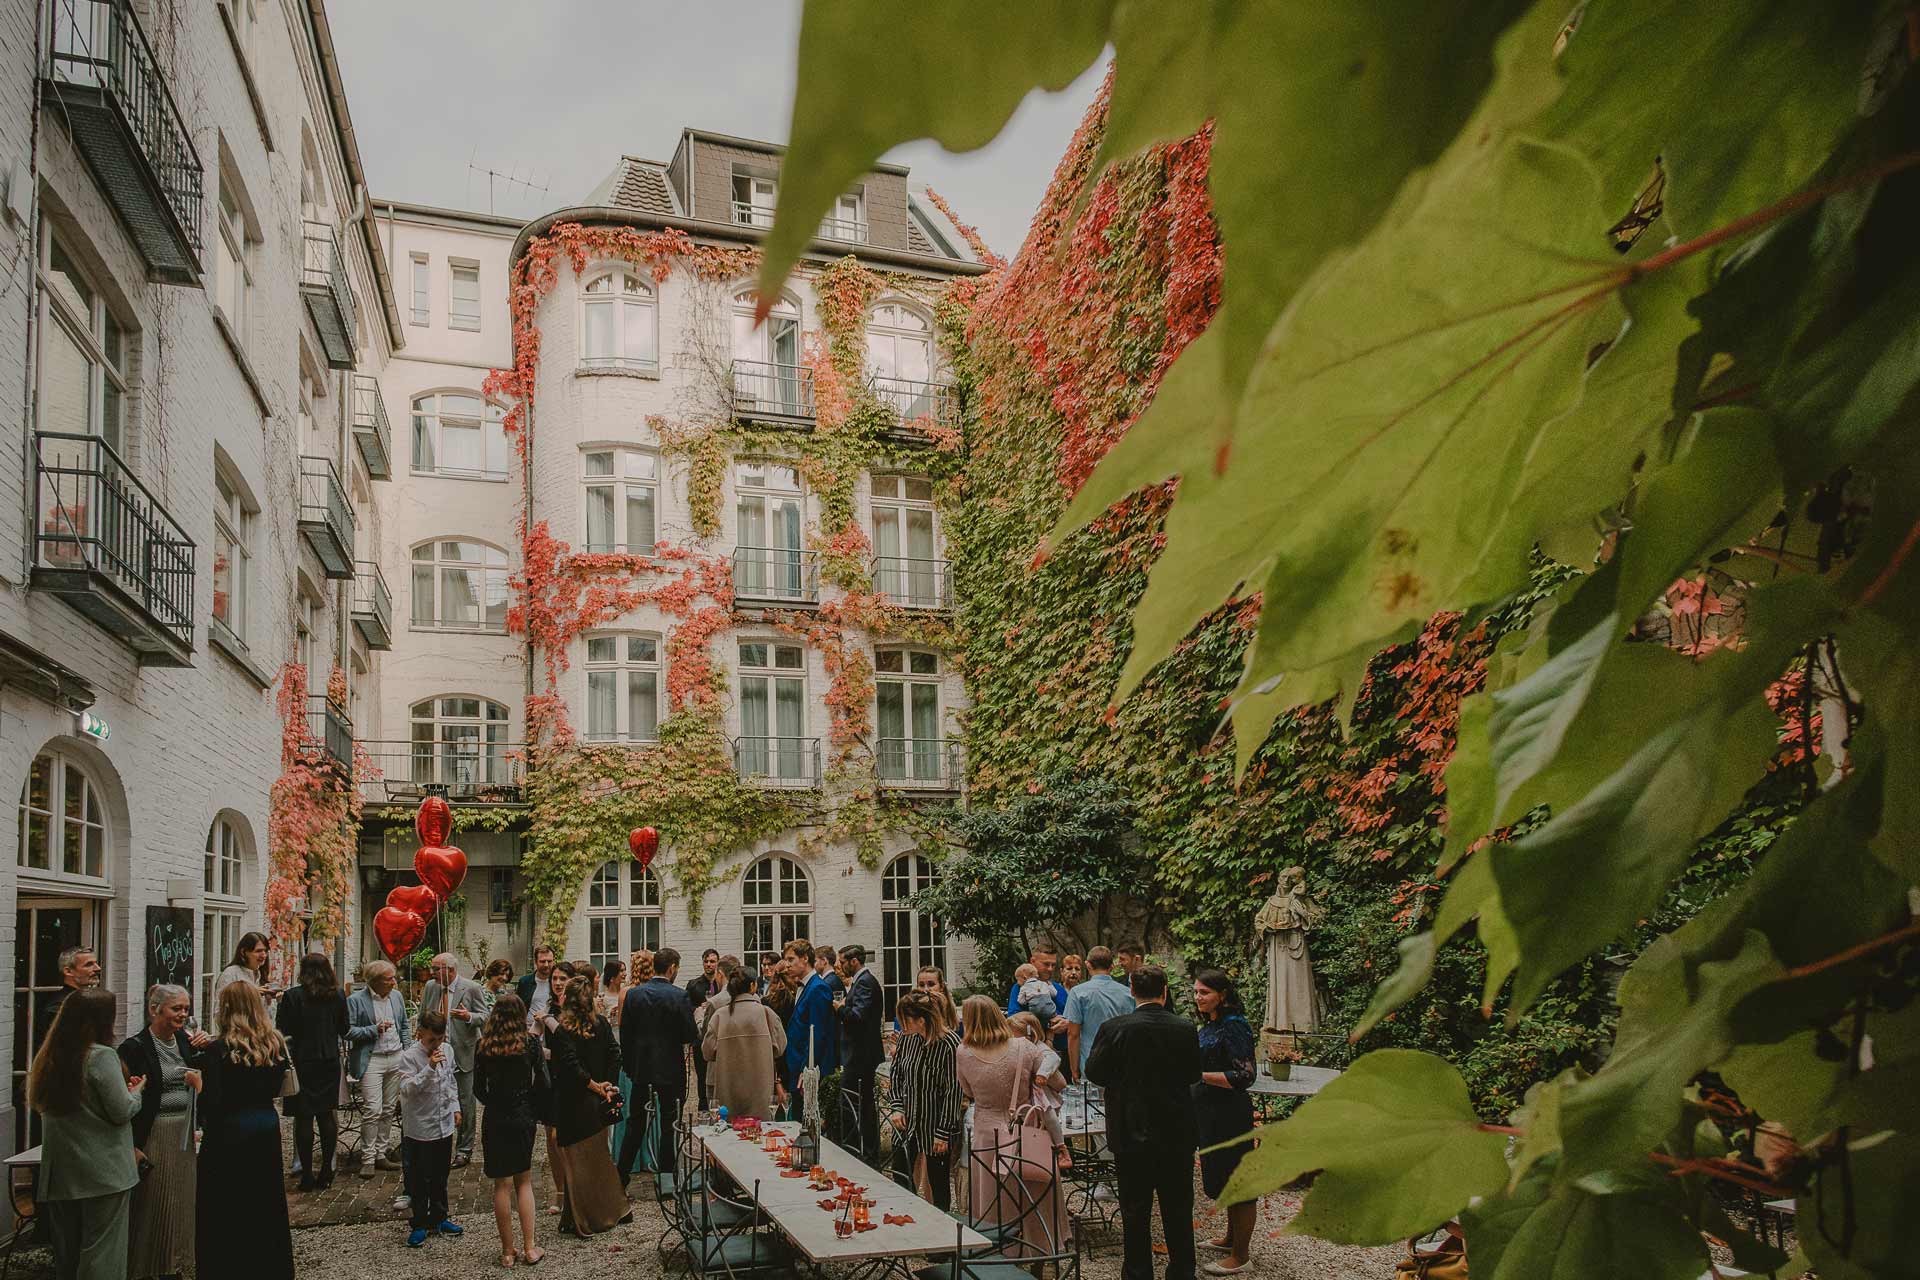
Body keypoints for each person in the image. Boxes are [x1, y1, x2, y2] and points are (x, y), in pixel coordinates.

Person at [1085, 967, 1201, 1280]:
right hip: (1176, 1130)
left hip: (1130, 1128)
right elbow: (1193, 1074)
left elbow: (1094, 1072)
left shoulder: (1114, 1028)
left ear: (1132, 991)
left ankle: (1138, 1273)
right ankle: (1182, 1272)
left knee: (1135, 1210)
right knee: (1178, 1209)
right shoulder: (1185, 1028)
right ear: (1165, 990)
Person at [30, 987, 143, 1280]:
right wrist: (136, 1093)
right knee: (102, 1251)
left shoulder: (49, 1057)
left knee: (68, 1253)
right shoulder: (101, 1057)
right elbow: (121, 1111)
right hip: (104, 1172)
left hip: (63, 1172)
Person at [197, 980, 294, 1280]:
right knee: (265, 1200)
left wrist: (197, 1085)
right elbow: (277, 1088)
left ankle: (229, 1267)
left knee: (226, 1204)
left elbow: (212, 1101)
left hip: (229, 1129)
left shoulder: (217, 1050)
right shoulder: (274, 1043)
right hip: (264, 1123)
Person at [955, 996, 1065, 1258]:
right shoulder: (1023, 1046)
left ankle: (997, 1249)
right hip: (1024, 1128)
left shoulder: (963, 1052)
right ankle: (1038, 1246)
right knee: (1032, 1191)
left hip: (986, 1131)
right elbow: (1058, 1082)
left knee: (993, 1195)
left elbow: (967, 1090)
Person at [119, 984, 209, 1280]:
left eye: (186, 1009)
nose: (182, 1014)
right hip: (155, 1132)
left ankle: (172, 1264)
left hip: (183, 1132)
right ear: (154, 1009)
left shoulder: (185, 1041)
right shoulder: (135, 1048)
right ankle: (147, 1265)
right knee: (154, 1202)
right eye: (176, 1008)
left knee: (180, 1200)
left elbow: (203, 1076)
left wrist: (204, 1052)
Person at [549, 977, 630, 1235]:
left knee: (575, 1162)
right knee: (598, 1158)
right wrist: (608, 1085)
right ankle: (605, 1209)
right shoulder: (602, 1023)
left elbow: (571, 1066)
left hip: (573, 1101)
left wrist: (596, 1086)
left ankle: (585, 1217)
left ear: (567, 1000)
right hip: (598, 1101)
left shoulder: (562, 1031)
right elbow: (615, 1053)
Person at [1193, 970, 1258, 1275]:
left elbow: (1245, 1075)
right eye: (1196, 992)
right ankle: (1230, 1239)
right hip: (1210, 1113)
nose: (1198, 997)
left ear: (1223, 994)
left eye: (1204, 992)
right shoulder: (1212, 1024)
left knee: (1238, 1182)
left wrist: (1198, 1076)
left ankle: (1241, 1256)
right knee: (1223, 1179)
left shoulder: (1235, 1026)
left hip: (1230, 1114)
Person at [474, 993, 547, 1268]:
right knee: (524, 1181)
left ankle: (507, 1251)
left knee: (501, 1184)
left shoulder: (484, 1046)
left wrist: (493, 1102)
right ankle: (530, 1246)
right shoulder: (530, 1043)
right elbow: (543, 1081)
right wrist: (533, 1107)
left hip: (495, 1115)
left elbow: (477, 1088)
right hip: (522, 1113)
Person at [616, 947, 696, 1180]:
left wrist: (630, 1066)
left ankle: (622, 1176)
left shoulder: (634, 995)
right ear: (672, 968)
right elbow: (689, 1034)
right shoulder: (679, 996)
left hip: (641, 1068)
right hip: (670, 1068)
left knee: (635, 1123)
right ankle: (666, 1176)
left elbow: (625, 1035)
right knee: (670, 1123)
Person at [275, 952, 349, 1190]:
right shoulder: (337, 995)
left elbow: (283, 1030)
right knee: (326, 1115)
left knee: (304, 1117)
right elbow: (345, 1028)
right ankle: (326, 1170)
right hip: (328, 1060)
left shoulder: (292, 996)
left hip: (302, 1061)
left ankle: (306, 1174)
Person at [396, 1009, 465, 1248]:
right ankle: (419, 1223)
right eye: (431, 1039)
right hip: (419, 1127)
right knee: (418, 1177)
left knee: (440, 1174)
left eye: (440, 1038)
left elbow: (451, 1082)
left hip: (443, 1124)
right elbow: (407, 1090)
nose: (436, 1044)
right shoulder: (409, 1057)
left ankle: (439, 1217)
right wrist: (429, 1068)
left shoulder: (448, 1050)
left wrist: (456, 1107)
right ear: (420, 1033)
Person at [888, 990, 962, 1210]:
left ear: (921, 1020)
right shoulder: (906, 1038)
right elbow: (897, 1073)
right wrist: (897, 1107)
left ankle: (940, 1225)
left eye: (905, 1020)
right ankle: (906, 1216)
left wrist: (944, 1131)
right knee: (900, 1175)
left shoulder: (949, 1044)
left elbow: (953, 1091)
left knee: (939, 1184)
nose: (901, 1025)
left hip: (935, 1123)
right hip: (906, 1120)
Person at [423, 952, 490, 1168]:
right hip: (435, 1052)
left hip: (463, 1053)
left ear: (450, 970)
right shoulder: (431, 987)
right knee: (434, 1098)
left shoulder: (471, 988)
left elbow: (485, 1016)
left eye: (436, 969)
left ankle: (464, 1149)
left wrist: (468, 1016)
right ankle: (435, 1142)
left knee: (465, 1102)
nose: (432, 973)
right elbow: (424, 1015)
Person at [346, 959, 410, 1176]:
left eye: (393, 978)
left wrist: (407, 1050)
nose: (394, 982)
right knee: (373, 1109)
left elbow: (404, 1025)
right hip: (372, 1058)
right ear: (374, 981)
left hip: (396, 1056)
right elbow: (348, 1031)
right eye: (389, 979)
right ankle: (367, 1158)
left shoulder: (397, 997)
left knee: (389, 1108)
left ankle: (381, 1154)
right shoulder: (356, 1000)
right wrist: (374, 1029)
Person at [702, 966, 786, 1120]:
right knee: (760, 1133)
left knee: (728, 1131)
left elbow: (707, 1053)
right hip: (760, 1094)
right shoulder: (767, 1014)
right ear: (752, 986)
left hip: (728, 1094)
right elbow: (780, 1048)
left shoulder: (720, 1016)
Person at [833, 944, 884, 1161]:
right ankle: (862, 1151)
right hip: (859, 1053)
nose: (840, 966)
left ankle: (864, 1152)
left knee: (858, 1104)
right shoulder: (861, 981)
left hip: (861, 1055)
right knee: (859, 1103)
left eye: (843, 961)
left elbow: (858, 1018)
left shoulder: (865, 982)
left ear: (854, 961)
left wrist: (840, 1008)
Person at [782, 940, 839, 1122]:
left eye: (791, 959)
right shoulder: (804, 986)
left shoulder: (818, 988)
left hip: (808, 1072)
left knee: (807, 1124)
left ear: (805, 958)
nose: (787, 965)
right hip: (797, 1066)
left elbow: (817, 1033)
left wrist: (807, 1070)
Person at [1064, 947, 1135, 1078]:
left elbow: (1073, 1034)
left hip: (1090, 1062)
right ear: (1112, 966)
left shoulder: (1078, 993)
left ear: (1088, 965)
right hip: (1121, 1063)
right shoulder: (1128, 994)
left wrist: (1074, 1070)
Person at [1009, 1012, 1070, 1164]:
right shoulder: (1016, 1048)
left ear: (1030, 1033)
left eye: (1014, 1034)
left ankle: (1060, 1146)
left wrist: (1043, 1073)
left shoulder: (1039, 1047)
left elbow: (1053, 1058)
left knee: (1048, 1114)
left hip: (1041, 1091)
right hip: (1027, 1091)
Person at [1004, 947, 1069, 1071]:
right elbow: (1014, 1021)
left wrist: (1067, 1023)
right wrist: (1049, 1024)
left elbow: (1074, 1018)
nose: (1050, 969)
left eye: (1053, 965)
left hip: (1063, 1055)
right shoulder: (1020, 988)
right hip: (1034, 1057)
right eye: (1046, 964)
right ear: (1032, 962)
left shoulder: (1058, 989)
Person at [33, 945, 103, 1047]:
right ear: (68, 971)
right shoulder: (59, 1006)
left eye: (96, 963)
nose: (98, 968)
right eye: (89, 965)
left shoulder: (85, 1000)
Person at [685, 949, 722, 1109]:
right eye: (706, 961)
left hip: (719, 1036)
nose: (709, 965)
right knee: (702, 1076)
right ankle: (703, 1109)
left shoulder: (722, 985)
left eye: (712, 961)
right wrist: (698, 1008)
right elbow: (686, 1008)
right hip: (700, 1038)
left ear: (717, 963)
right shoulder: (694, 985)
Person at [214, 932, 277, 1016]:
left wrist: (271, 1001)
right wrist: (249, 995)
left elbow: (267, 1015)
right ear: (243, 952)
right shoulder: (230, 974)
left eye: (265, 951)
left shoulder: (260, 974)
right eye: (258, 951)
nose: (264, 955)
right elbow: (219, 1011)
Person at [515, 945, 559, 1023]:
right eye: (542, 961)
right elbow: (518, 1007)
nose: (546, 965)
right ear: (535, 962)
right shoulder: (525, 982)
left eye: (549, 961)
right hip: (528, 1027)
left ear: (554, 961)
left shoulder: (558, 982)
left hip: (552, 1027)